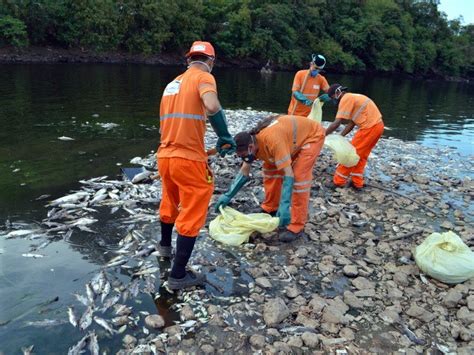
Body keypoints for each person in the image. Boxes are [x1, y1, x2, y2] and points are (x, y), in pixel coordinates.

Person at [156, 41, 236, 290]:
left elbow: (164, 125)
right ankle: (178, 275)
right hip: (188, 160)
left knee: (170, 199)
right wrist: (224, 135)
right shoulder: (203, 77)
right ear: (210, 61)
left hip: (165, 156)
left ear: (188, 59)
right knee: (194, 207)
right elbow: (211, 106)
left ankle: (165, 248)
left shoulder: (171, 84)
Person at [214, 115, 325, 242]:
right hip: (290, 140)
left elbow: (288, 173)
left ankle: (297, 225)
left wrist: (285, 205)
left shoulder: (272, 141)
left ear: (250, 147)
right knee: (269, 169)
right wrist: (228, 195)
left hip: (311, 136)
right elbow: (245, 170)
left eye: (243, 155)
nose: (242, 158)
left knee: (299, 178)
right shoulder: (253, 142)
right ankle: (271, 206)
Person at [325, 83, 384, 189]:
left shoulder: (346, 99)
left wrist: (323, 134)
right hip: (378, 126)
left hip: (369, 128)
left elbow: (336, 123)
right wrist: (340, 136)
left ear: (338, 93)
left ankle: (338, 182)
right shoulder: (353, 97)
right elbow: (351, 123)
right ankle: (357, 183)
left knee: (350, 154)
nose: (334, 101)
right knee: (361, 156)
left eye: (333, 98)